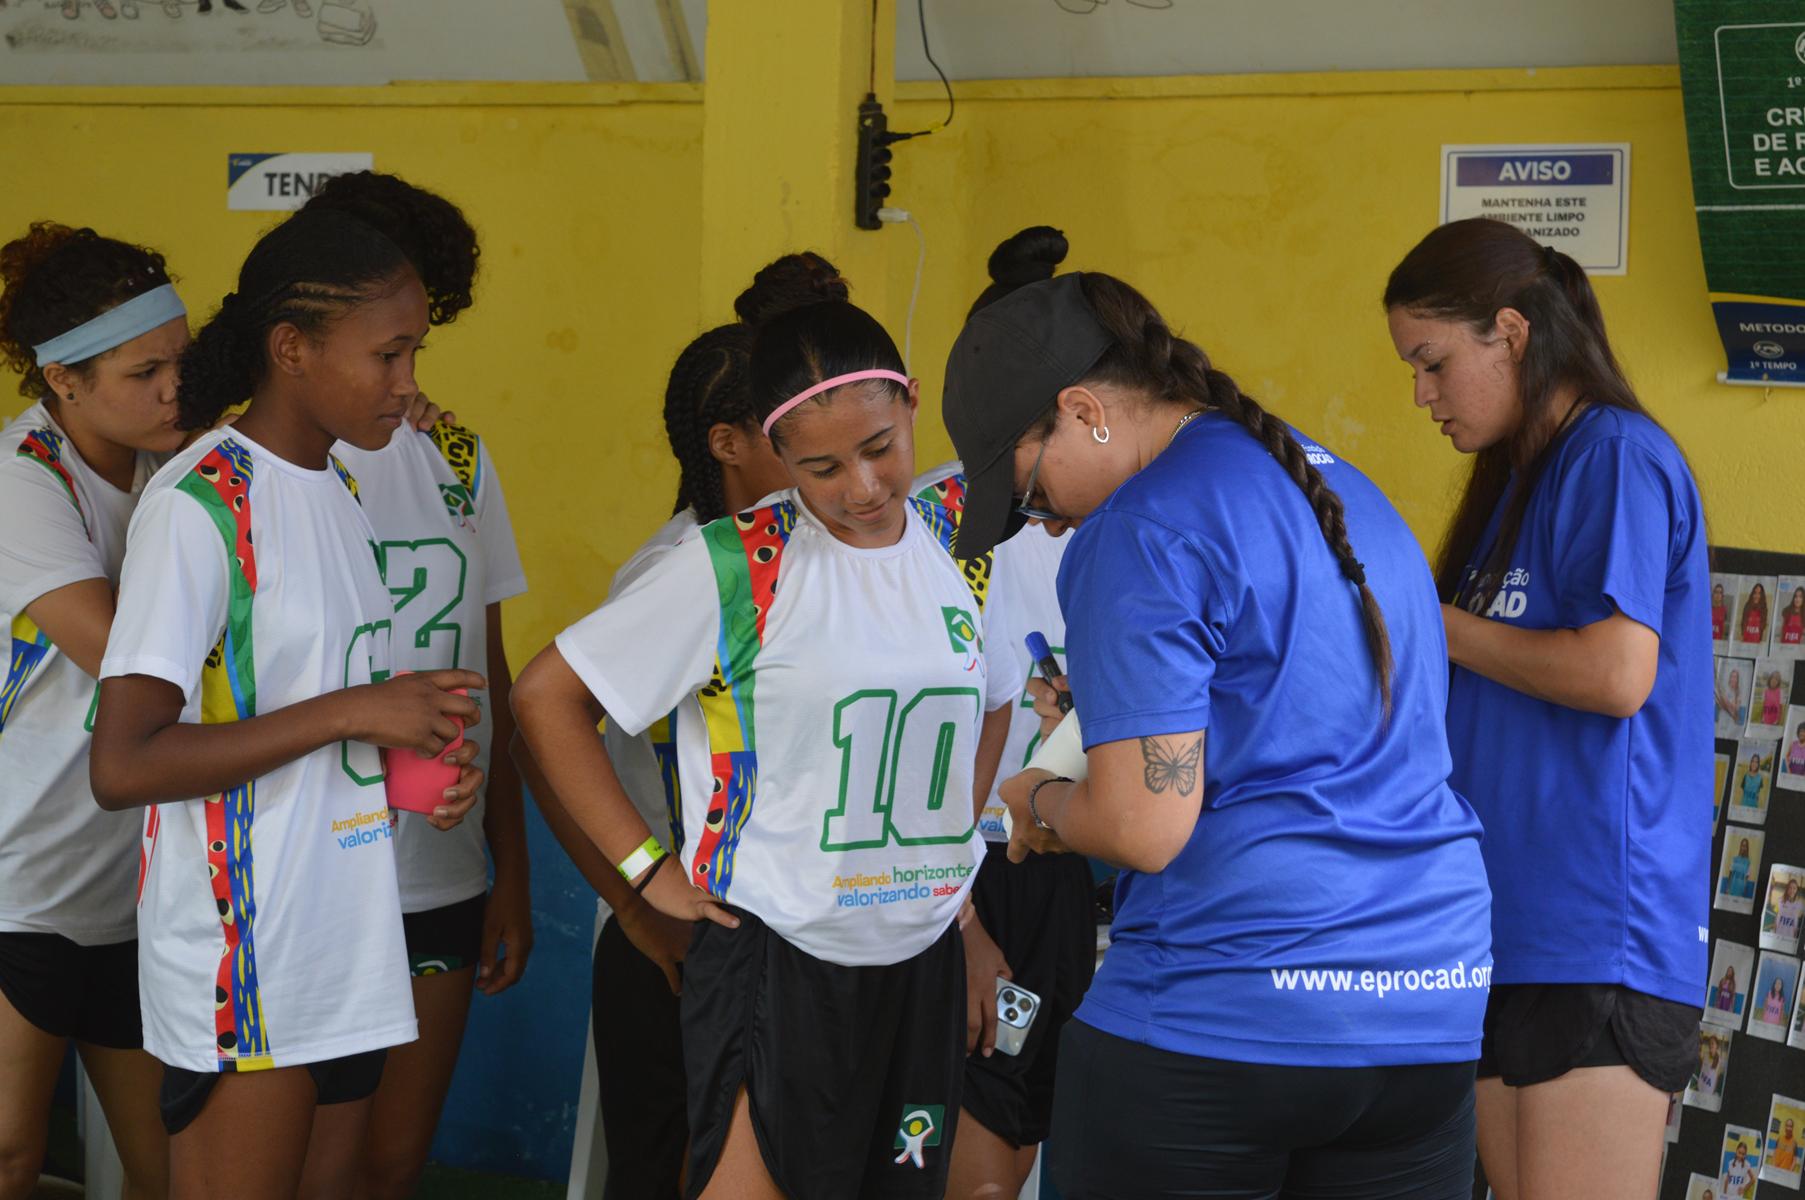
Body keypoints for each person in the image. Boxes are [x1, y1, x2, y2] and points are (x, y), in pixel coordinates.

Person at [939, 269, 1492, 1197]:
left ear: (1083, 411)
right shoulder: (1339, 487)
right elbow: (1306, 718)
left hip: (1226, 1010)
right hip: (1425, 1010)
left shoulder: (1137, 527)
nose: (1046, 525)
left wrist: (1041, 801)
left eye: (1029, 495)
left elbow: (1141, 827)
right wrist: (1114, 712)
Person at [511, 290, 1020, 1199]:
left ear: (910, 403)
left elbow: (993, 700)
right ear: (777, 455)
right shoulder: (733, 564)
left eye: (879, 447)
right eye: (821, 467)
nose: (861, 486)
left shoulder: (960, 540)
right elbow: (545, 697)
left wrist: (955, 872)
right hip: (773, 953)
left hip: (919, 956)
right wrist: (645, 873)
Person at [87, 209, 484, 1200]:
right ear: (291, 349)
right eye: (386, 354)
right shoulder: (201, 505)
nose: (407, 382)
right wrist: (355, 713)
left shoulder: (337, 488)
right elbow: (124, 764)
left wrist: (413, 774)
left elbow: (309, 711)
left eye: (415, 353)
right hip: (246, 948)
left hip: (348, 931)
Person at [1386, 218, 1710, 1200]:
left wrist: (1428, 621)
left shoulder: (1613, 456)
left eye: (1433, 363)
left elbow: (1615, 674)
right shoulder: (1507, 488)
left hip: (1597, 933)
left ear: (1512, 333)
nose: (1420, 395)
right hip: (1497, 929)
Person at [520, 255, 811, 1200]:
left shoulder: (810, 560)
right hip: (681, 939)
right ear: (728, 443)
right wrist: (641, 901)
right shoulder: (681, 568)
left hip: (775, 937)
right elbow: (542, 732)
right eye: (796, 432)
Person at [298, 170, 535, 1200]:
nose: (401, 370)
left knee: (389, 1168)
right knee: (305, 1171)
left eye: (412, 339)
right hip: (308, 878)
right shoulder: (265, 465)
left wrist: (508, 868)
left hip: (438, 873)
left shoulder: (454, 455)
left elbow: (491, 672)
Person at [910, 227, 1099, 1200]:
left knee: (1016, 1131)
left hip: (1057, 863)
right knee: (967, 1143)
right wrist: (961, 920)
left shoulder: (1119, 516)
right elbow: (918, 747)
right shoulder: (932, 523)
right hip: (961, 873)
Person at [0, 222, 187, 1200]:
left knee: (173, 1167)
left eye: (182, 361)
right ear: (63, 380)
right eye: (144, 372)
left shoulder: (175, 462)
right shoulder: (21, 480)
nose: (175, 389)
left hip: (139, 885)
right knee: (10, 1152)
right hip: (21, 882)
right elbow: (126, 661)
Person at [1741, 584, 1769, 649]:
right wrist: (1742, 636)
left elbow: (1763, 626)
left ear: (1762, 595)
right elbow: (1743, 623)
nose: (1756, 596)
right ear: (1752, 594)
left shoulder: (1764, 608)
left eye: (1759, 593)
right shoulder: (1747, 606)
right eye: (1755, 593)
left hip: (1757, 643)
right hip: (1745, 642)